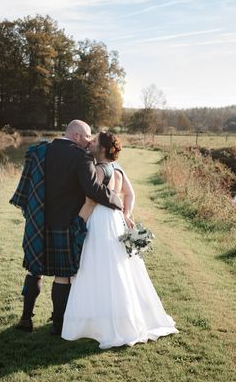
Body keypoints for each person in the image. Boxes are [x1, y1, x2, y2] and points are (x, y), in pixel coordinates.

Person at [61, 132, 178, 349]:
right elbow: (130, 195)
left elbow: (90, 199)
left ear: (103, 149)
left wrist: (79, 222)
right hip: (115, 220)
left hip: (100, 220)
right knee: (117, 267)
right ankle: (120, 316)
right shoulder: (118, 170)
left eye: (95, 141)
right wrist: (126, 214)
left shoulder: (96, 169)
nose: (90, 143)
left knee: (95, 266)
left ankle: (98, 321)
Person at [10, 120, 123, 334]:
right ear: (77, 137)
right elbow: (92, 189)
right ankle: (58, 324)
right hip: (64, 223)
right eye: (87, 137)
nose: (89, 141)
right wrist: (116, 200)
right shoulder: (82, 157)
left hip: (37, 220)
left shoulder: (38, 150)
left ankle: (26, 319)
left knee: (34, 269)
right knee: (62, 275)